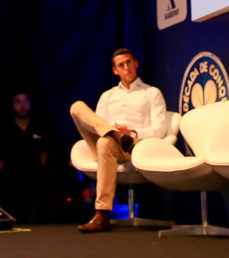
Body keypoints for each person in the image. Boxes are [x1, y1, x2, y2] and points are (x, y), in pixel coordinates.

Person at [68, 48, 166, 233]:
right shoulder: (107, 96)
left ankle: (102, 214)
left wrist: (132, 133)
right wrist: (114, 132)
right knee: (76, 107)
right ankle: (114, 134)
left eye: (129, 62)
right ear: (115, 70)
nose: (126, 67)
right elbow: (95, 125)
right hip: (105, 143)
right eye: (121, 65)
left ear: (136, 63)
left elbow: (160, 130)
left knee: (105, 142)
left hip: (133, 148)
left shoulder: (151, 93)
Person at [0, 92, 49, 222]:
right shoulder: (3, 130)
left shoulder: (39, 128)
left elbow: (44, 155)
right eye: (18, 102)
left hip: (34, 184)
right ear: (12, 105)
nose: (22, 105)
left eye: (25, 101)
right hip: (10, 186)